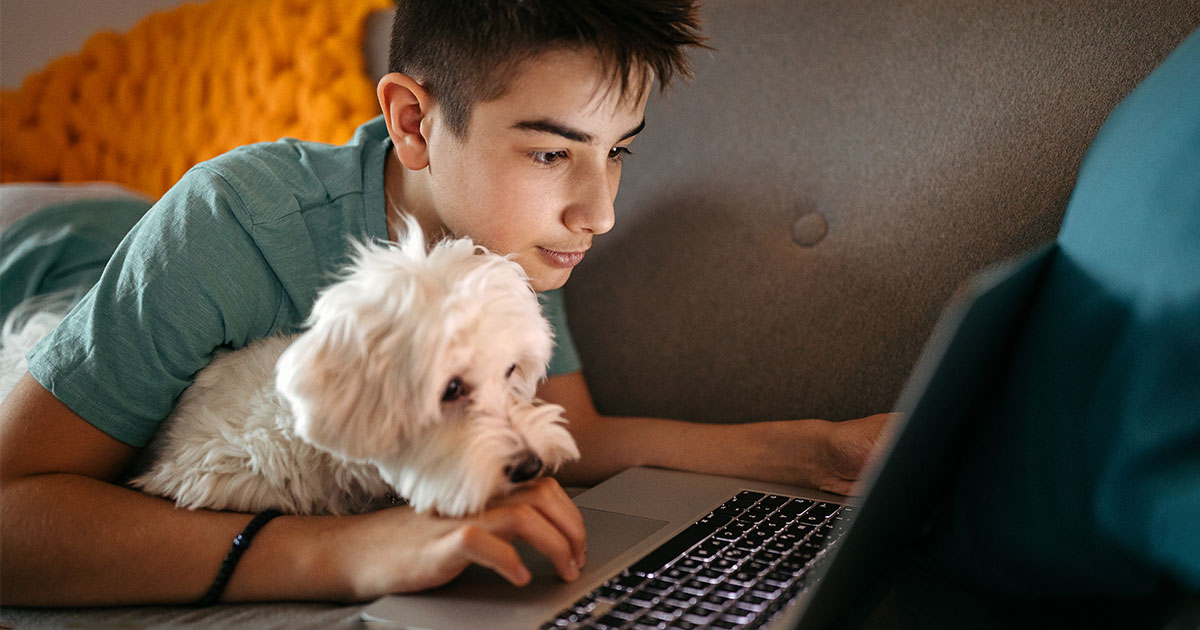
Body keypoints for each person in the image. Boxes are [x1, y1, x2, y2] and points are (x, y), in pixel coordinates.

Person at [0, 0, 891, 606]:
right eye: (552, 153)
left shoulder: (511, 242)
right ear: (416, 123)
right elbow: (15, 516)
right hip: (41, 245)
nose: (602, 211)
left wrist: (812, 451)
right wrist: (341, 552)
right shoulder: (230, 220)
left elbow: (577, 431)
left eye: (618, 151)